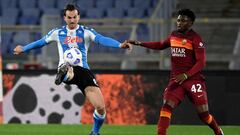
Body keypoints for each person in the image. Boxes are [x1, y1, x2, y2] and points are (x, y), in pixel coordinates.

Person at [13, 4, 132, 135]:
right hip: (68, 68)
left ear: (78, 17)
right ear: (65, 18)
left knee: (101, 108)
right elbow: (41, 42)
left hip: (84, 71)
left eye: (74, 17)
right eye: (69, 17)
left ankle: (94, 132)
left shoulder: (86, 32)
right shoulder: (57, 32)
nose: (72, 20)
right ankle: (64, 74)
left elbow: (101, 39)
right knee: (70, 69)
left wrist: (119, 45)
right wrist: (24, 48)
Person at [127, 9, 224, 135]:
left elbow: (201, 62)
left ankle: (217, 130)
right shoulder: (174, 35)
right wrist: (140, 43)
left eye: (183, 21)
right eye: (178, 20)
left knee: (204, 115)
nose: (179, 23)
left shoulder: (195, 39)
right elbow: (161, 45)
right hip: (176, 80)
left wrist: (186, 75)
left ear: (191, 23)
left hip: (193, 79)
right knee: (166, 106)